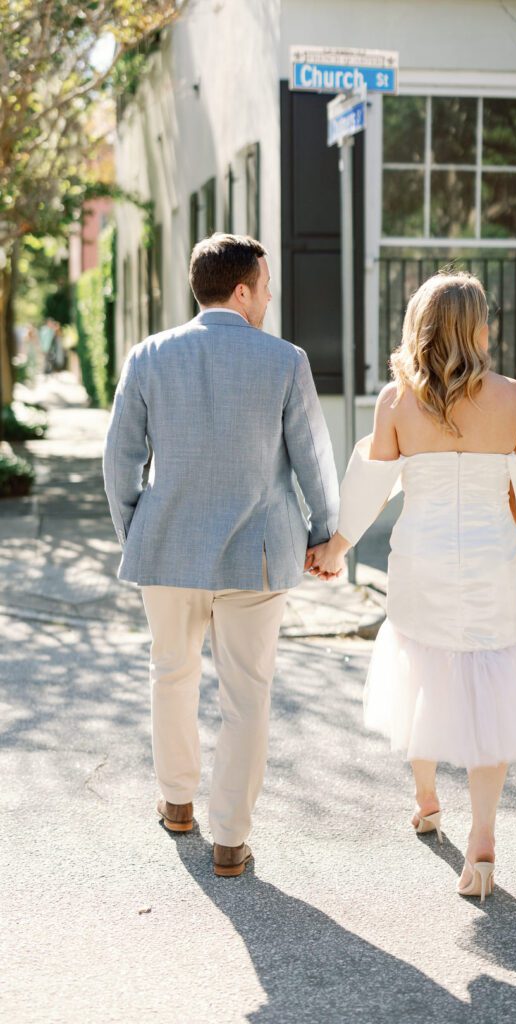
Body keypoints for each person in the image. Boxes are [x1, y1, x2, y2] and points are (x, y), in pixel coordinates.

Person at [307, 272, 516, 902]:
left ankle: (425, 803)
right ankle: (484, 839)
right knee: (489, 686)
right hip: (489, 562)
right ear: (475, 328)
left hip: (419, 559)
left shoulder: (395, 402)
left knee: (420, 671)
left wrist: (336, 548)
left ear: (420, 325)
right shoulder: (515, 399)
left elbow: (370, 487)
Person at [103, 234, 339, 877]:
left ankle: (178, 804)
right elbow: (313, 457)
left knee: (170, 675)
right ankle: (230, 839)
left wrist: (137, 532)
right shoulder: (285, 360)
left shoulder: (147, 356)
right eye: (265, 286)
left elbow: (118, 459)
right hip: (256, 557)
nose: (269, 297)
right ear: (242, 291)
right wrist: (326, 533)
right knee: (247, 697)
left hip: (167, 548)